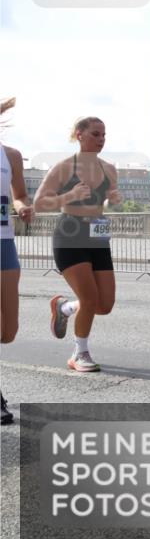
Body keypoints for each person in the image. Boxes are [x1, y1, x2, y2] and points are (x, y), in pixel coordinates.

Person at [33, 117, 122, 372]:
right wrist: (70, 195)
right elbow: (39, 203)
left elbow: (107, 203)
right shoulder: (63, 167)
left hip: (97, 233)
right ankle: (79, 353)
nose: (101, 139)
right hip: (70, 232)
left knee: (104, 305)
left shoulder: (109, 169)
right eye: (96, 134)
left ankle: (65, 306)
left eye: (104, 135)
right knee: (90, 297)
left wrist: (113, 200)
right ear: (79, 134)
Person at [1, 104, 34, 425]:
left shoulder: (10, 155)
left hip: (4, 244)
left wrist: (24, 206)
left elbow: (20, 195)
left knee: (8, 332)